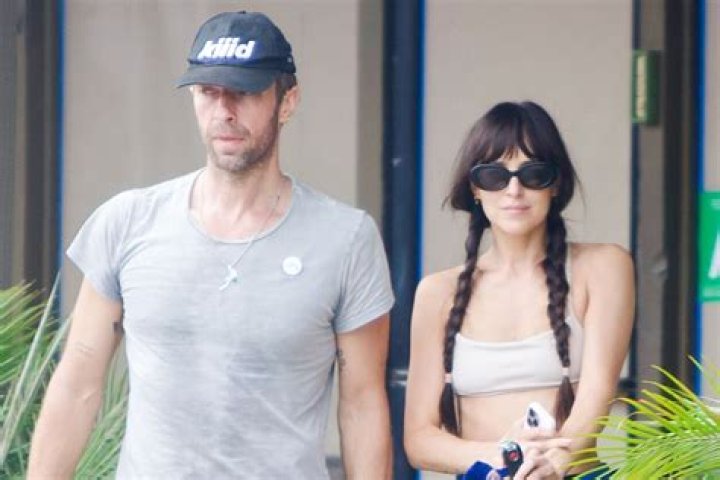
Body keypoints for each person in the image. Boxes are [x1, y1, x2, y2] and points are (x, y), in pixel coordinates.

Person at [28, 11, 394, 479]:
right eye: (208, 92)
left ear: (287, 101)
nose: (224, 110)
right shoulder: (128, 221)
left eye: (244, 92)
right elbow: (78, 382)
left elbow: (362, 405)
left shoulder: (346, 239)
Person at [403, 101, 634, 479]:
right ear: (475, 188)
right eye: (494, 175)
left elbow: (595, 400)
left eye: (533, 174)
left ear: (555, 183)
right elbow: (419, 439)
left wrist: (552, 464)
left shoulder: (603, 267)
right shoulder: (437, 292)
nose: (514, 190)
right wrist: (507, 456)